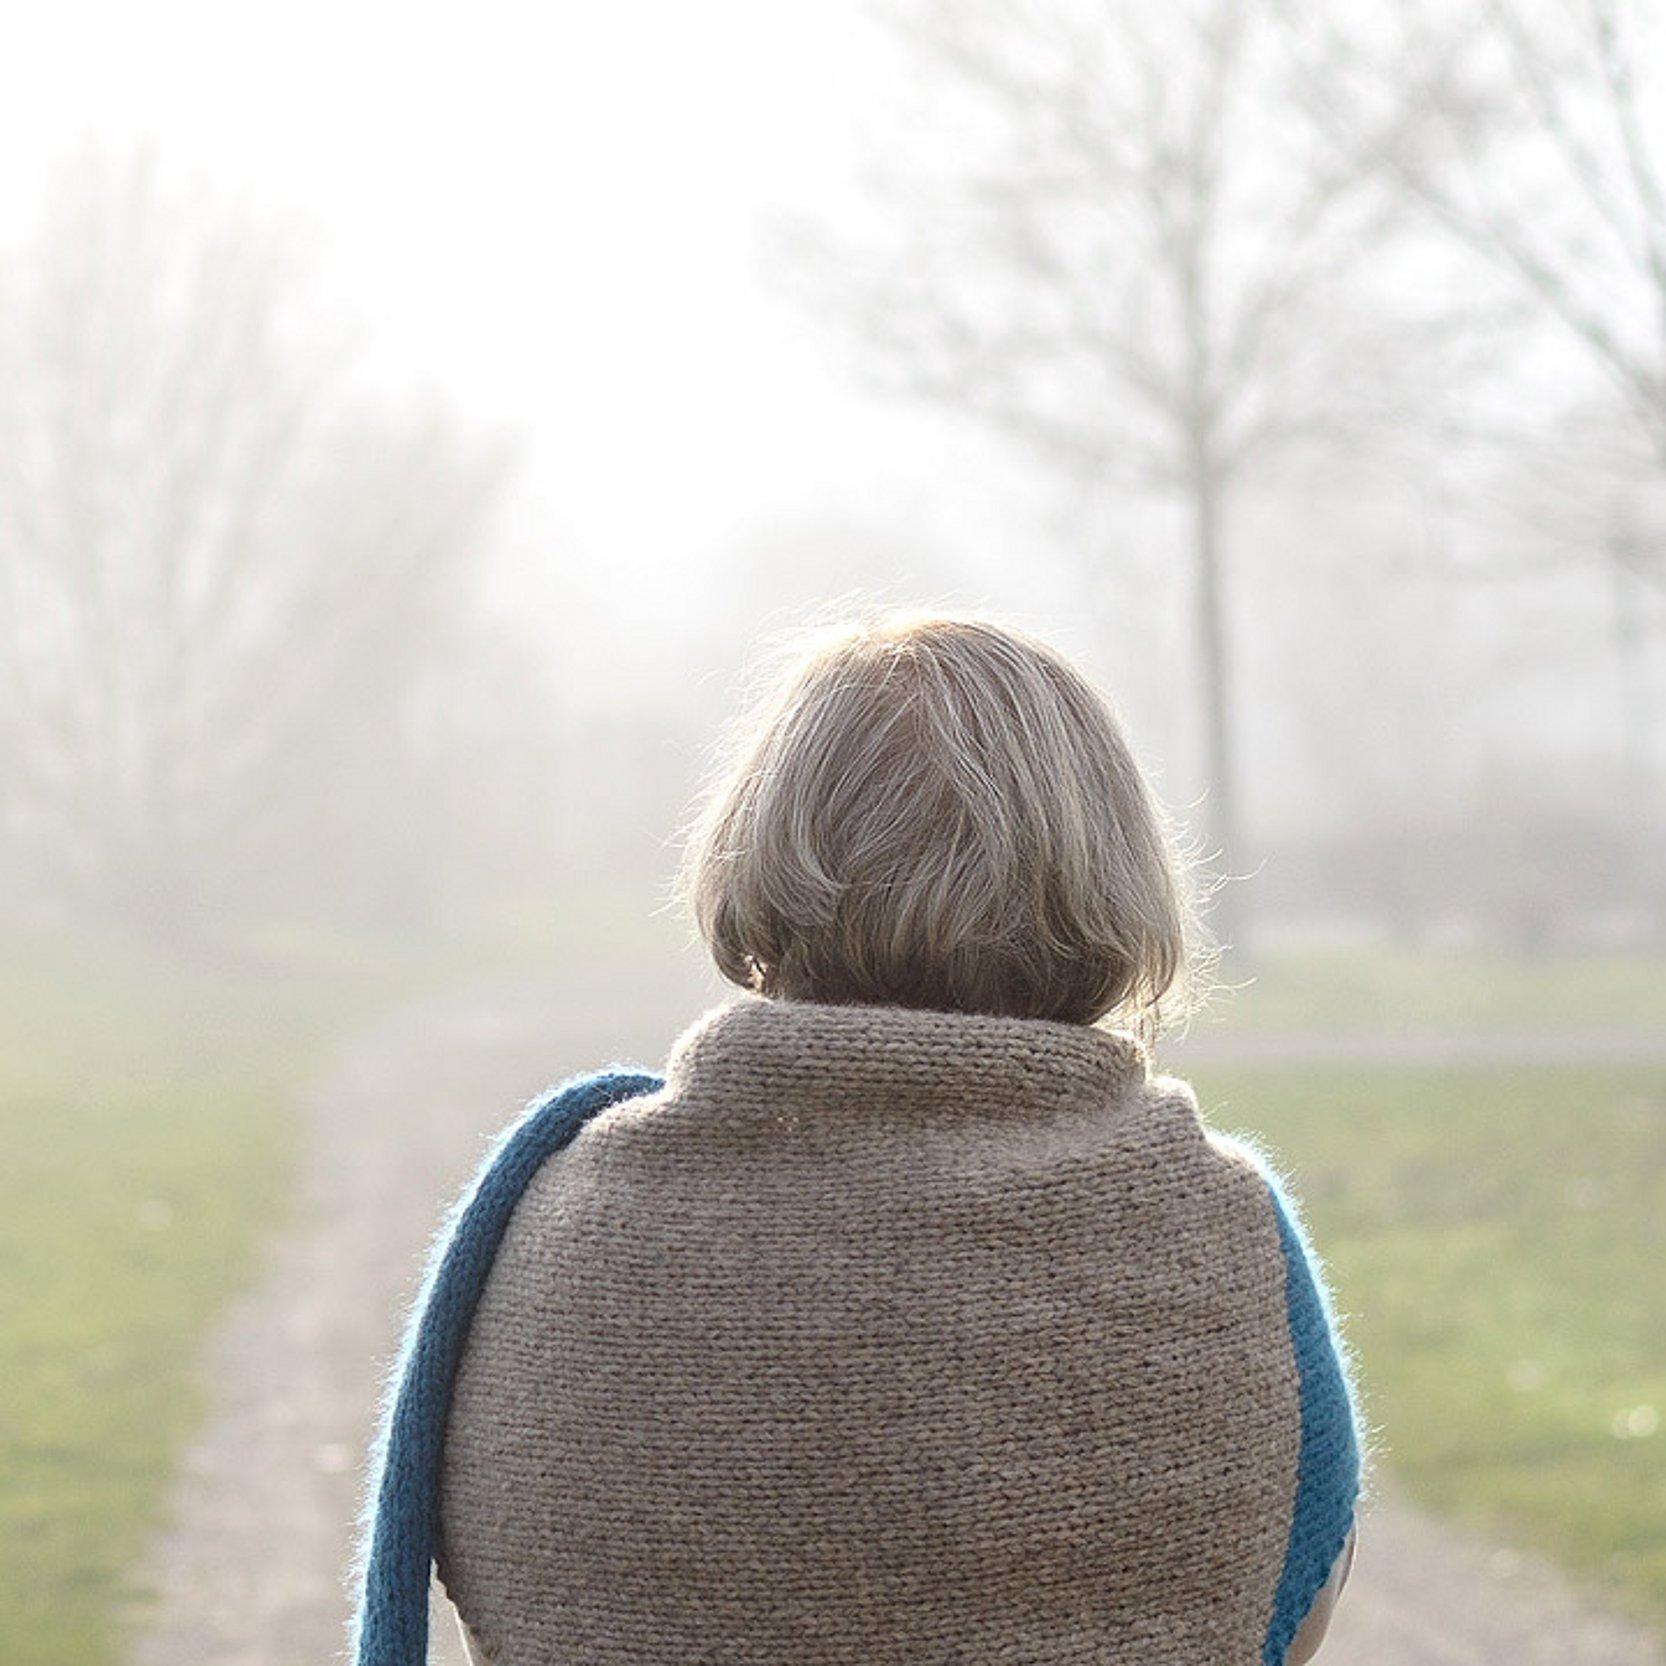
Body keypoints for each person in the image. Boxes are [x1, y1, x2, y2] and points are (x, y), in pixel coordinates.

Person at [352, 609, 1363, 1666]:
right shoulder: (1227, 1241)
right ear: (1110, 872)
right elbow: (1289, 1618)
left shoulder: (549, 1230)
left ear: (759, 847)